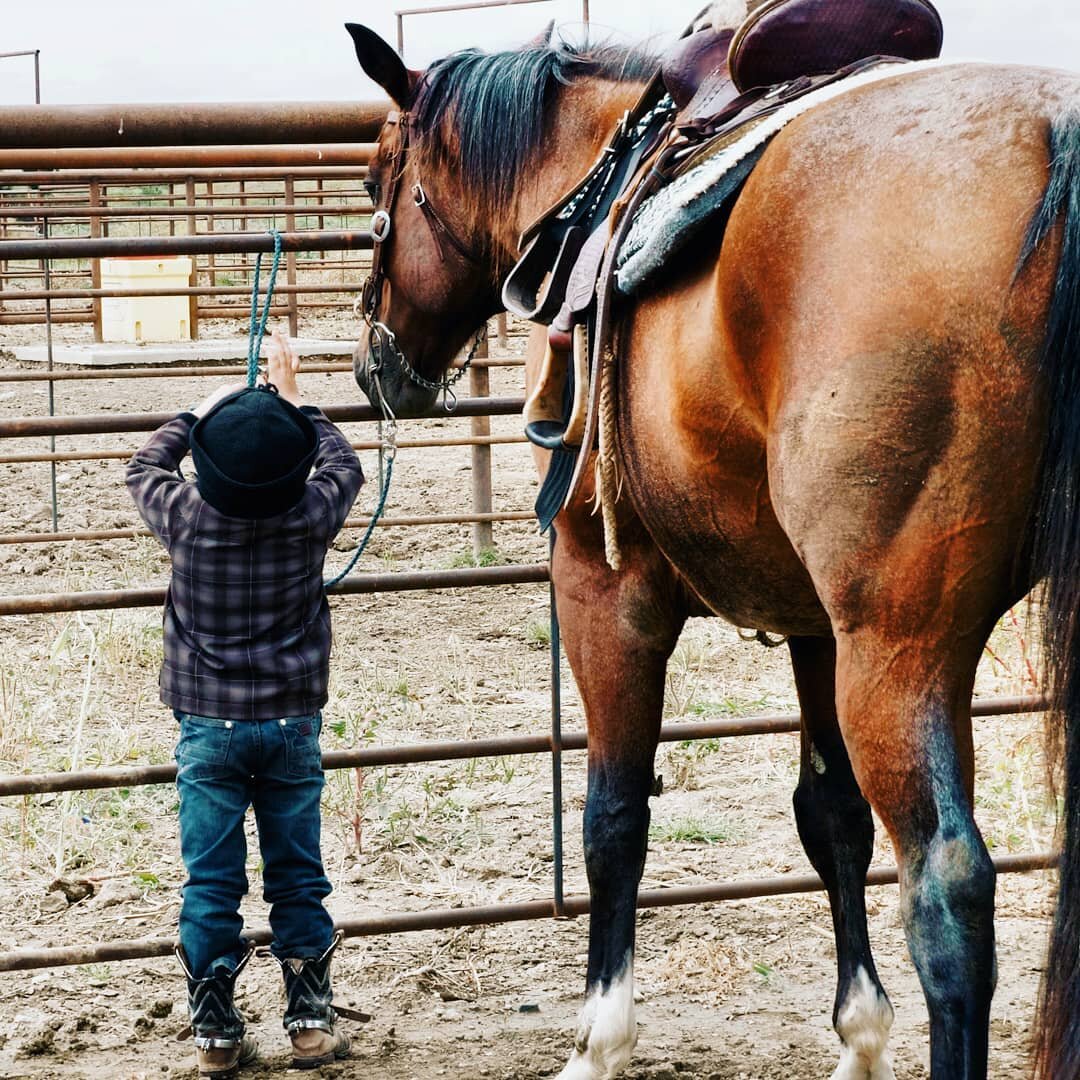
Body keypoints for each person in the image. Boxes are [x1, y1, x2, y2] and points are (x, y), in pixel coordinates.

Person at [126, 330, 364, 1077]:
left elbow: (144, 463)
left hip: (207, 729)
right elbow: (345, 464)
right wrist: (297, 401)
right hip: (292, 724)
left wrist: (200, 414)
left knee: (212, 880)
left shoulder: (187, 519)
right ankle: (310, 1025)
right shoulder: (309, 518)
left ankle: (217, 1035)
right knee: (297, 871)